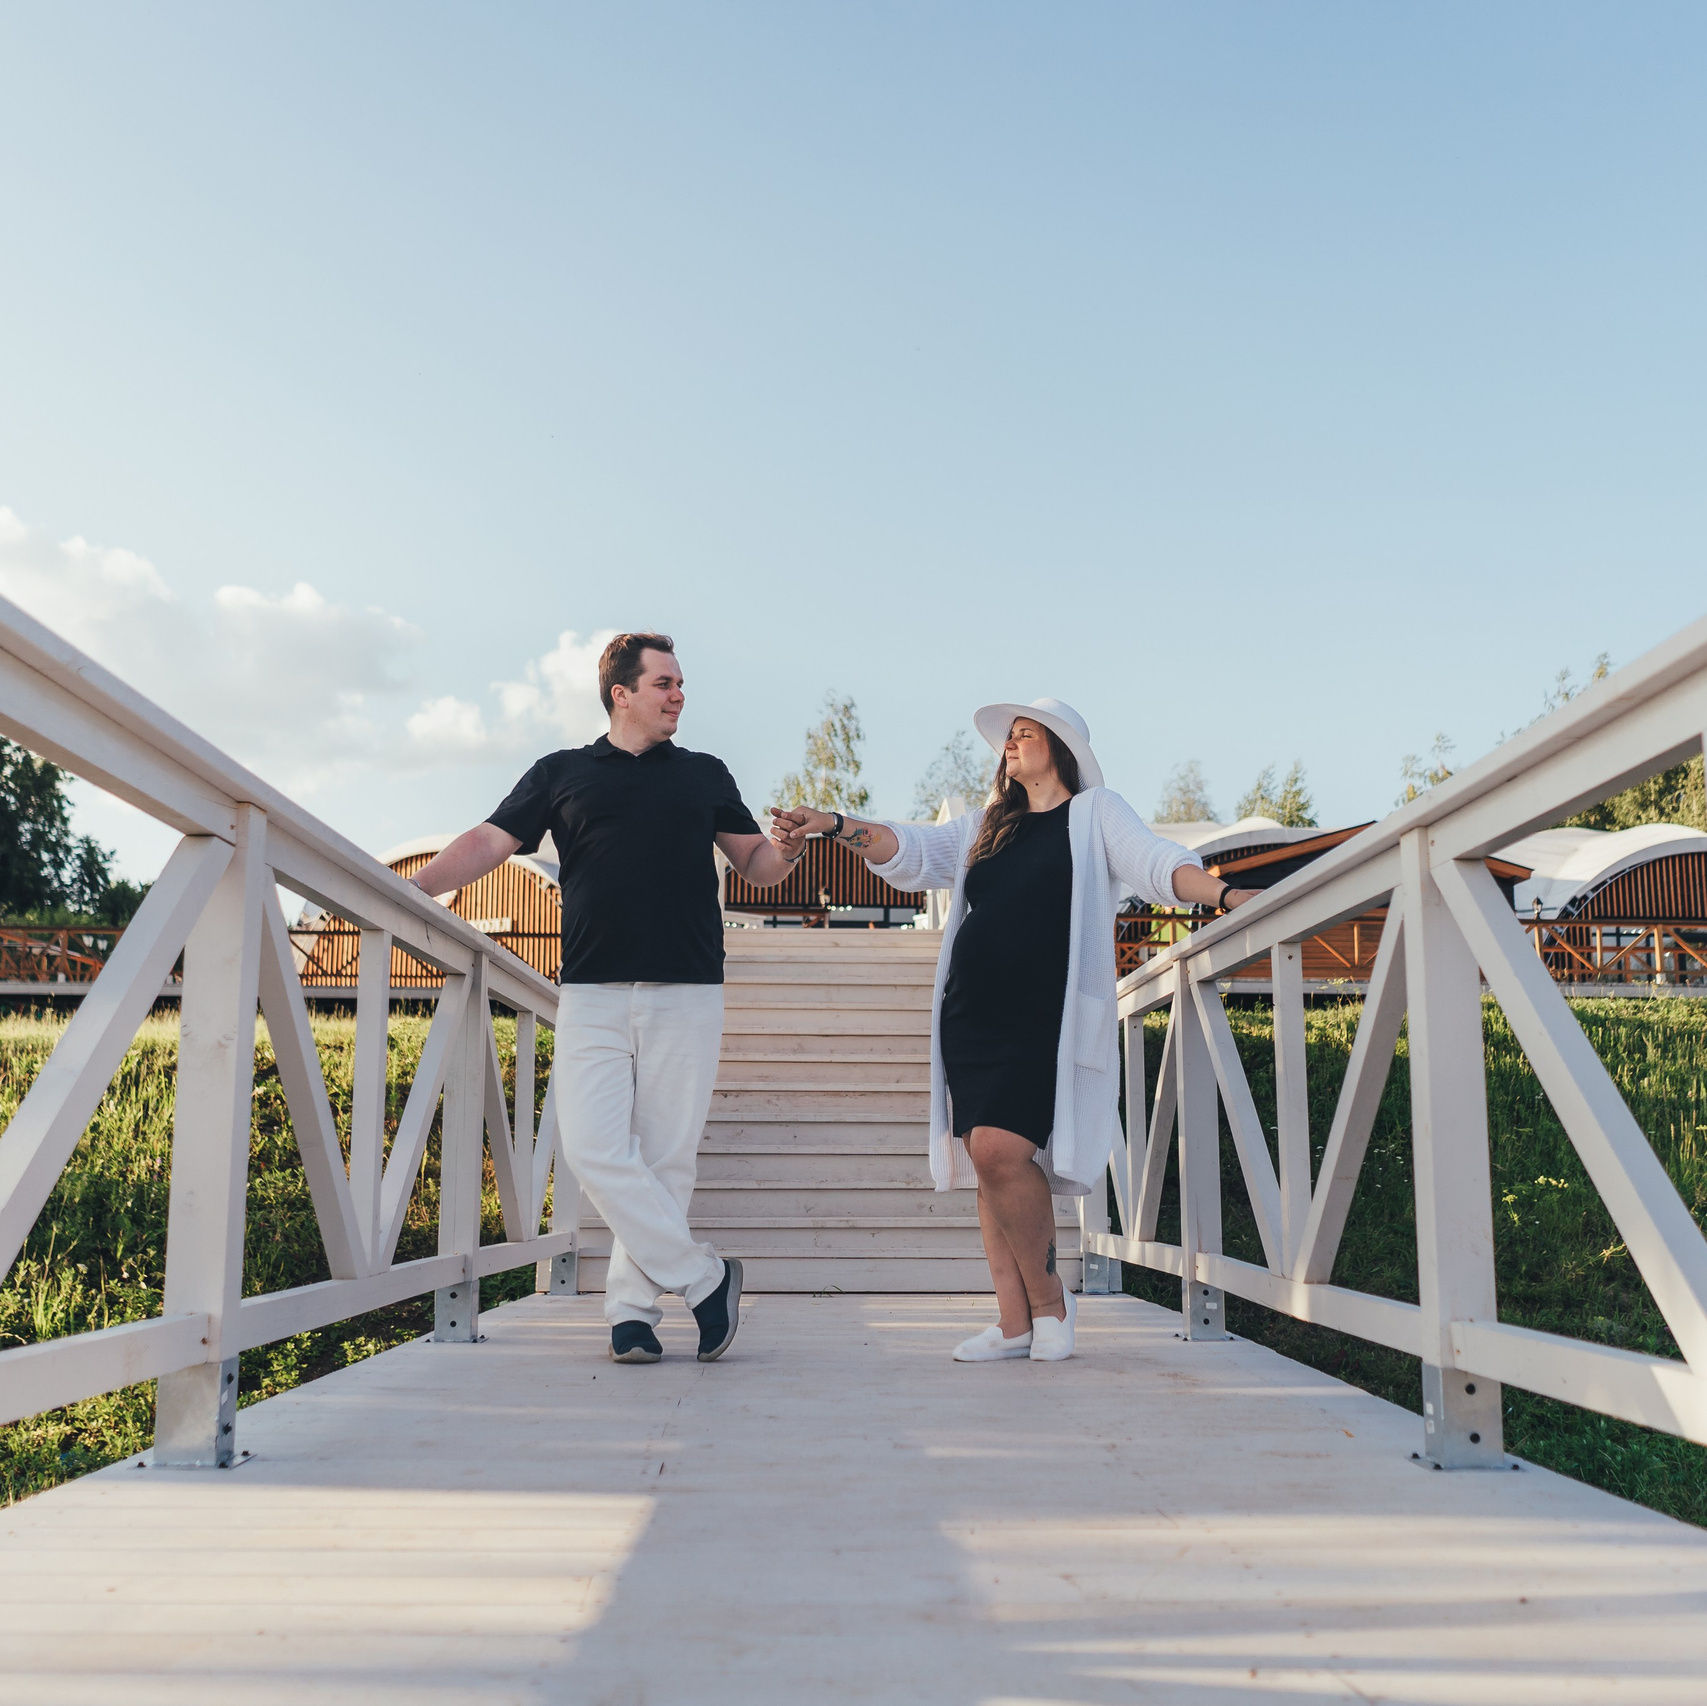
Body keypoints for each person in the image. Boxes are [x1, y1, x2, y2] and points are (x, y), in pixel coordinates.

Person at [769, 698, 1257, 1362]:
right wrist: (832, 823)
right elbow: (906, 850)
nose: (1011, 743)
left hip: (1043, 1015)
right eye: (1008, 737)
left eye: (1027, 733)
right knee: (986, 1161)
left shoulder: (1095, 814)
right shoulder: (984, 827)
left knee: (1000, 1151)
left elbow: (1156, 862)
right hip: (971, 1015)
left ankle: (1051, 1304)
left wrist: (1224, 896)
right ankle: (1012, 1322)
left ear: (1061, 747)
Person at [409, 632, 799, 1365]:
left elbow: (756, 864)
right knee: (591, 1146)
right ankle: (704, 1276)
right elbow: (491, 842)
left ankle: (631, 1313)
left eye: (681, 682)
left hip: (687, 987)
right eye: (664, 683)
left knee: (665, 1157)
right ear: (620, 692)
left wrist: (791, 846)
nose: (678, 693)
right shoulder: (561, 773)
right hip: (590, 989)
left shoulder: (704, 774)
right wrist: (415, 887)